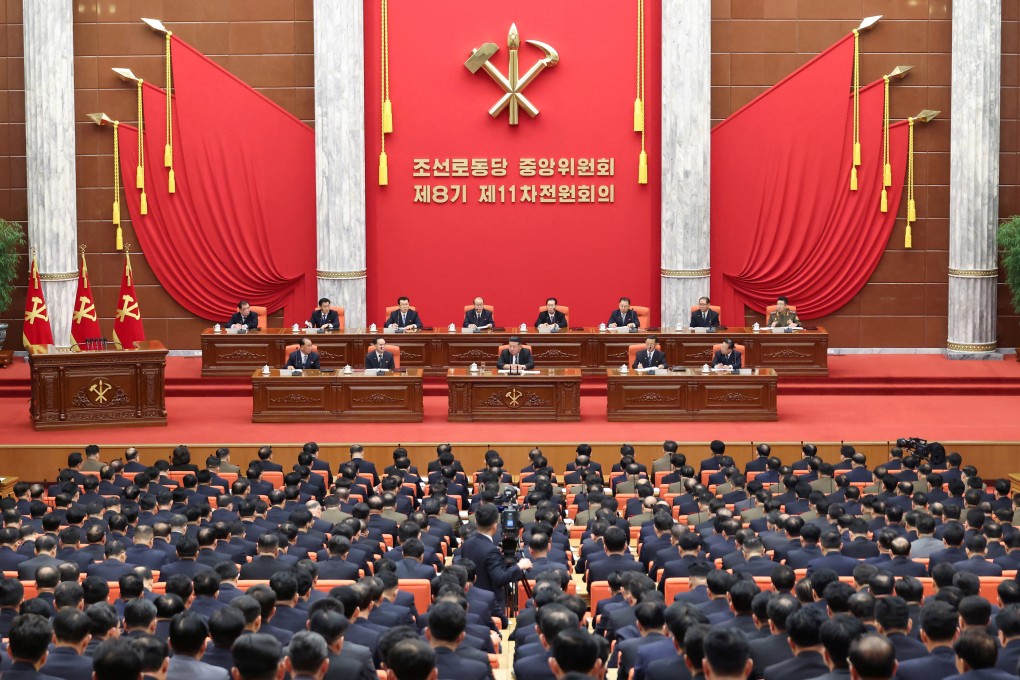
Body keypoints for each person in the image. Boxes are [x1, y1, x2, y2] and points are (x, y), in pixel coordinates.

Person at [457, 504, 531, 626]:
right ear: (495, 525)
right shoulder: (491, 550)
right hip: (490, 606)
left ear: (476, 521)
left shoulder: (467, 543)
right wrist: (519, 566)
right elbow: (500, 578)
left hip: (471, 600)